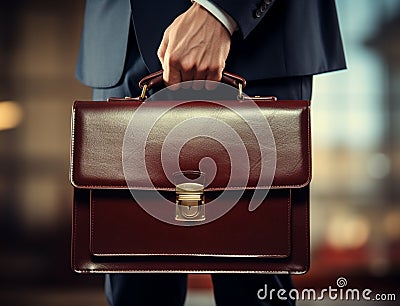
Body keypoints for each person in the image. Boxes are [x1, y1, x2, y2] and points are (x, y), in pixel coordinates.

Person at [75, 0, 346, 305]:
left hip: (255, 37)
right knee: (133, 285)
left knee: (256, 277)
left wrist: (219, 9)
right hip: (121, 38)